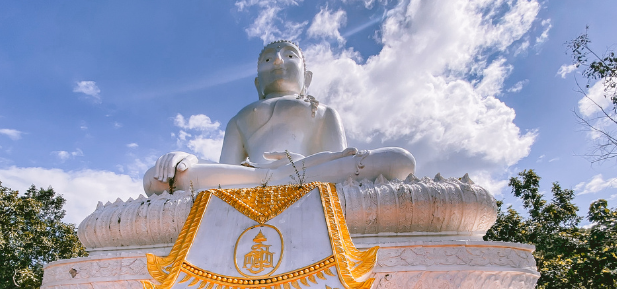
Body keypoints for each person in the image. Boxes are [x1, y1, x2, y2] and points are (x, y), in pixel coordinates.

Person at [143, 40, 415, 195]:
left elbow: (341, 165)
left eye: (288, 55)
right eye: (267, 60)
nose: (277, 61)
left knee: (399, 160)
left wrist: (303, 165)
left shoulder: (322, 111)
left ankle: (282, 177)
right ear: (257, 83)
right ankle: (276, 178)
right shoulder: (240, 119)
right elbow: (226, 169)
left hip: (310, 172)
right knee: (154, 178)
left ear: (306, 78)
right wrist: (184, 158)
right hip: (250, 176)